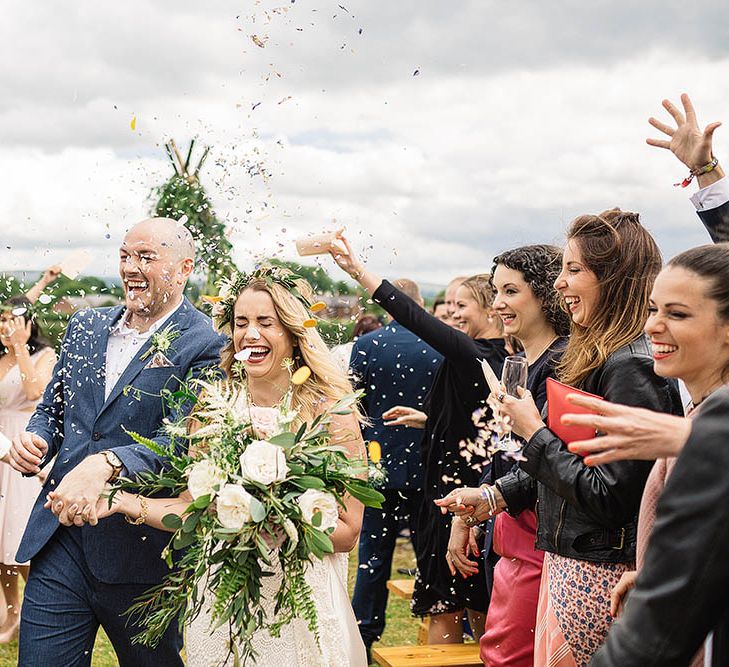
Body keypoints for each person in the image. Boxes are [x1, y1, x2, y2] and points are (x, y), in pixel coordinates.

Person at [438, 209, 682, 666]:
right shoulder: (597, 356)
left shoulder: (629, 367)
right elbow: (562, 464)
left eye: (574, 270)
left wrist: (532, 432)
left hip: (597, 575)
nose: (559, 283)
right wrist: (494, 495)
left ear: (612, 278)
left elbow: (611, 496)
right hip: (569, 564)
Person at [96, 266, 368, 666]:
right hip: (222, 598)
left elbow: (347, 533)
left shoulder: (328, 411)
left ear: (293, 333)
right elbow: (193, 508)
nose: (250, 334)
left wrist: (283, 516)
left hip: (300, 600)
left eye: (265, 323)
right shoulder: (213, 407)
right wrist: (122, 501)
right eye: (241, 323)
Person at [9, 218, 225, 667]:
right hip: (59, 537)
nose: (130, 267)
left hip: (143, 550)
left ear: (184, 268)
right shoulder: (85, 326)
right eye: (125, 255)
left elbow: (184, 441)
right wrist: (37, 438)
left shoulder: (207, 344)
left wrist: (110, 462)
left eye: (146, 257)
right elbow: (54, 408)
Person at [327, 236, 508, 645]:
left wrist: (359, 271)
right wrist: (427, 420)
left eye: (462, 306)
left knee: (443, 604)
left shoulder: (472, 353)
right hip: (476, 492)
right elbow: (481, 422)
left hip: (450, 497)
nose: (453, 314)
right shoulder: (498, 359)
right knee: (478, 605)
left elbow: (410, 315)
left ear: (490, 309)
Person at [440, 244, 570, 667]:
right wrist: (474, 511)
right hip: (508, 534)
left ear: (546, 293)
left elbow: (548, 459)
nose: (497, 303)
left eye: (510, 291)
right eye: (496, 291)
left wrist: (494, 500)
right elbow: (505, 454)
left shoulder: (564, 366)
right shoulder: (520, 363)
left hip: (540, 539)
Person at [349, 277, 442, 657]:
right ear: (418, 305)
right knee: (430, 556)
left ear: (391, 309)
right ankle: (442, 625)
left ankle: (364, 636)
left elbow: (354, 409)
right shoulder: (439, 345)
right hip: (426, 468)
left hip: (378, 467)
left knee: (373, 557)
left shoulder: (367, 345)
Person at [0, 268, 60, 643]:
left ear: (26, 325)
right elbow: (20, 304)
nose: (5, 325)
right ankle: (11, 614)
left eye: (11, 320)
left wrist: (20, 346)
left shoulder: (45, 355)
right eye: (1, 320)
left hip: (26, 448)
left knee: (22, 540)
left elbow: (37, 392)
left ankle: (40, 612)